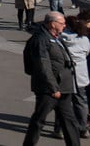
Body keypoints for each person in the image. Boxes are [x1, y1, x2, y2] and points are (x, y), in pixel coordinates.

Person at [23, 11, 81, 146]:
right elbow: (43, 65)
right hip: (50, 89)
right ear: (52, 23)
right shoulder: (40, 39)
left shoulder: (55, 36)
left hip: (63, 88)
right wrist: (53, 88)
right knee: (39, 120)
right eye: (62, 23)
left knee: (69, 121)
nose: (65, 26)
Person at [61, 15, 90, 139]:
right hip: (81, 74)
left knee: (63, 103)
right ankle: (83, 128)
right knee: (81, 102)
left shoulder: (62, 38)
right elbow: (87, 52)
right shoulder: (84, 39)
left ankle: (60, 129)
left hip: (65, 74)